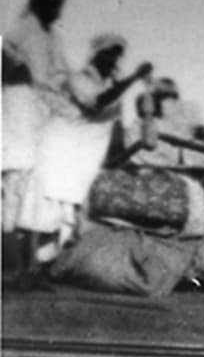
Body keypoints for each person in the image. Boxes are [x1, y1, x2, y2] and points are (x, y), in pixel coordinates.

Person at [16, 31, 150, 281]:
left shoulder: (115, 87)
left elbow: (115, 124)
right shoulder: (78, 79)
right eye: (110, 54)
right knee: (39, 211)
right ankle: (27, 271)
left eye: (118, 55)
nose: (114, 60)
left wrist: (118, 157)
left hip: (83, 158)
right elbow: (96, 102)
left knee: (67, 219)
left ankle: (41, 274)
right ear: (98, 55)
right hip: (57, 149)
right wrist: (134, 78)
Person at [2, 0, 70, 279]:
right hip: (16, 111)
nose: (57, 10)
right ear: (40, 2)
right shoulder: (20, 32)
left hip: (42, 116)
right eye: (52, 3)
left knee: (35, 190)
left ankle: (30, 266)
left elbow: (60, 76)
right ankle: (10, 263)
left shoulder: (53, 38)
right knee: (13, 185)